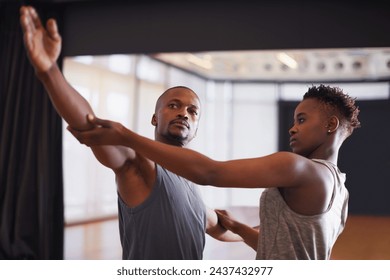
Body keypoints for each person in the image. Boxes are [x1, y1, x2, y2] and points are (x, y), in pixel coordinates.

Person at [19, 5, 242, 260]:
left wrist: (272, 228)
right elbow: (90, 126)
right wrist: (49, 72)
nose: (183, 113)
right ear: (155, 118)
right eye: (174, 105)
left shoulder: (191, 180)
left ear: (196, 128)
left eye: (193, 111)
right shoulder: (139, 163)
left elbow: (220, 227)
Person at [67, 84, 361, 260]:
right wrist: (238, 228)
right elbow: (286, 249)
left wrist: (125, 135)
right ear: (156, 117)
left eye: (301, 119)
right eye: (174, 106)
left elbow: (211, 173)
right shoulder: (341, 192)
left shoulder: (296, 167)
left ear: (331, 125)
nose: (292, 127)